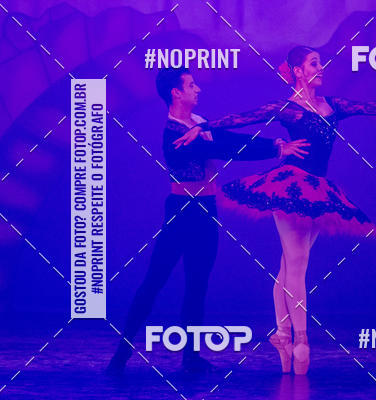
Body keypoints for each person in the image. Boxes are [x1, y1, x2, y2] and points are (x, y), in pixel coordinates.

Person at [173, 46, 376, 374]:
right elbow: (245, 117)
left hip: (318, 192)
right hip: (289, 187)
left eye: (320, 63)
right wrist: (203, 127)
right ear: (298, 71)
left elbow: (369, 107)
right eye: (314, 63)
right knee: (297, 262)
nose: (321, 68)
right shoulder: (288, 109)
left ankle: (282, 336)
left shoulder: (333, 106)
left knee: (288, 266)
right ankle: (302, 341)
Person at [106, 67, 309, 374]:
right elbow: (223, 148)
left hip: (206, 209)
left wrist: (275, 145)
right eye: (191, 85)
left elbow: (227, 138)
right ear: (176, 92)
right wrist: (274, 148)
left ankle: (190, 357)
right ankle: (120, 357)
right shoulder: (174, 132)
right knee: (154, 282)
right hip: (182, 212)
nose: (197, 89)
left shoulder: (199, 123)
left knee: (197, 284)